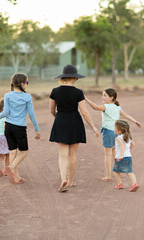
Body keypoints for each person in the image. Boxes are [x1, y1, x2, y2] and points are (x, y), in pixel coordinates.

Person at [49, 64, 99, 192]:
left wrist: (58, 117)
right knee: (73, 154)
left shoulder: (55, 91)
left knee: (62, 155)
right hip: (75, 122)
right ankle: (70, 181)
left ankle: (63, 179)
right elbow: (84, 112)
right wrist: (93, 127)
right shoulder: (78, 92)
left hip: (61, 121)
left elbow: (51, 110)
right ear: (74, 78)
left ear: (64, 77)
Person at [0, 73, 40, 184]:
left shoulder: (7, 95)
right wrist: (37, 129)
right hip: (19, 128)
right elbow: (31, 114)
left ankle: (16, 178)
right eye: (27, 82)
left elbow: (5, 112)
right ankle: (11, 167)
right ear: (22, 83)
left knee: (13, 152)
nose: (27, 84)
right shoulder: (27, 97)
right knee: (24, 152)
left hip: (9, 127)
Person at [85, 88, 141, 182]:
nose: (102, 97)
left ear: (111, 98)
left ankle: (108, 175)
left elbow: (94, 107)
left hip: (109, 131)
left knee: (108, 154)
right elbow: (126, 115)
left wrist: (85, 98)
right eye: (102, 95)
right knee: (115, 153)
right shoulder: (117, 107)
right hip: (117, 132)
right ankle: (117, 171)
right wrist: (135, 121)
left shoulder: (106, 107)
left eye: (105, 95)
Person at [112, 120, 139, 192]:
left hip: (120, 158)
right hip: (128, 157)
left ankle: (119, 184)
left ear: (119, 130)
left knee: (115, 171)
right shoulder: (128, 137)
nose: (114, 128)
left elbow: (122, 146)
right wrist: (128, 150)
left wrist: (121, 155)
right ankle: (135, 183)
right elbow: (133, 144)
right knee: (129, 171)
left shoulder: (118, 138)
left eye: (115, 127)